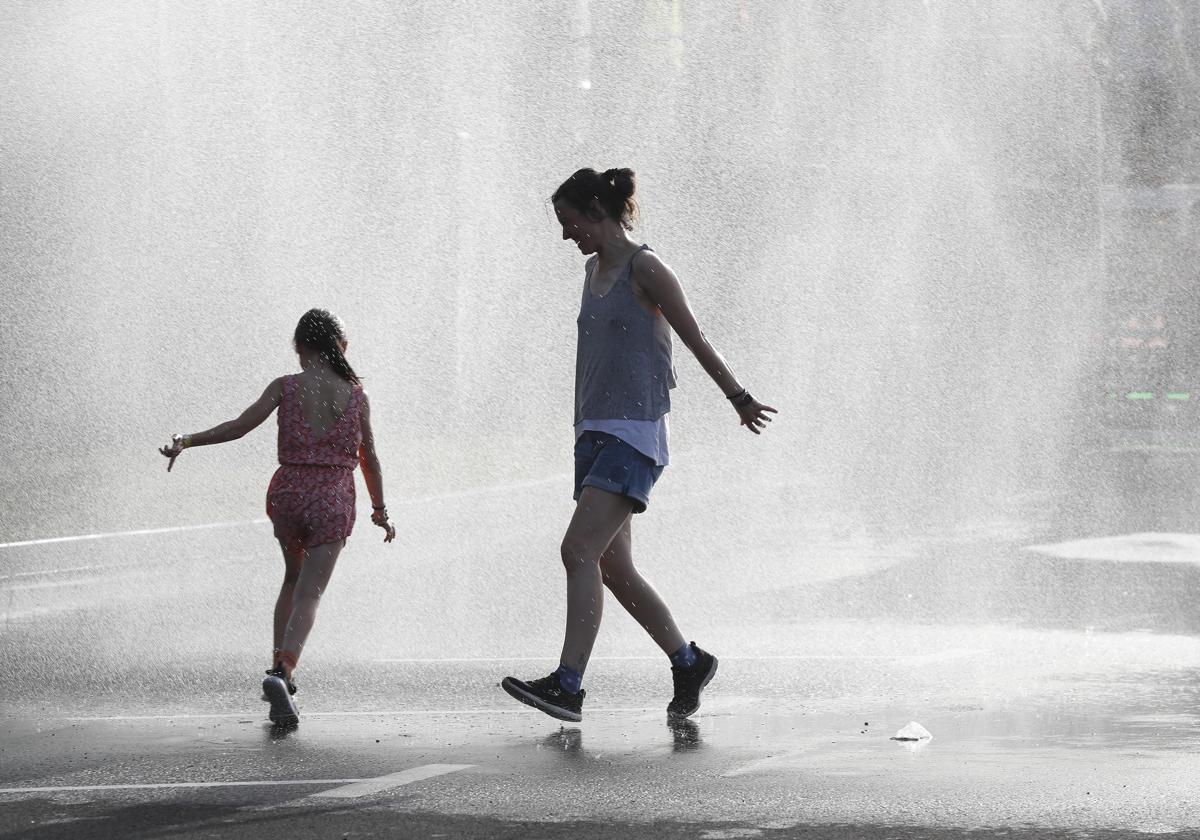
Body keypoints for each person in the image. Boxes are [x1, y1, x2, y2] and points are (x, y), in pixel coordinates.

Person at [501, 168, 777, 722]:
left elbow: (694, 337)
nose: (565, 235)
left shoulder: (645, 268)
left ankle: (569, 685)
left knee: (576, 551)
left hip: (635, 435)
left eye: (568, 221)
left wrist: (739, 398)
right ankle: (688, 660)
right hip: (594, 433)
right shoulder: (590, 271)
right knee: (613, 569)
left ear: (596, 210)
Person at [159, 308, 396, 727]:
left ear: (301, 347)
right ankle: (284, 671)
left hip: (288, 493)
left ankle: (276, 669)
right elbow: (369, 458)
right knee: (311, 592)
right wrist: (380, 511)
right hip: (332, 497)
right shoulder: (356, 396)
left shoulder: (285, 388)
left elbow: (239, 426)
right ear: (340, 347)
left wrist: (189, 441)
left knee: (291, 578)